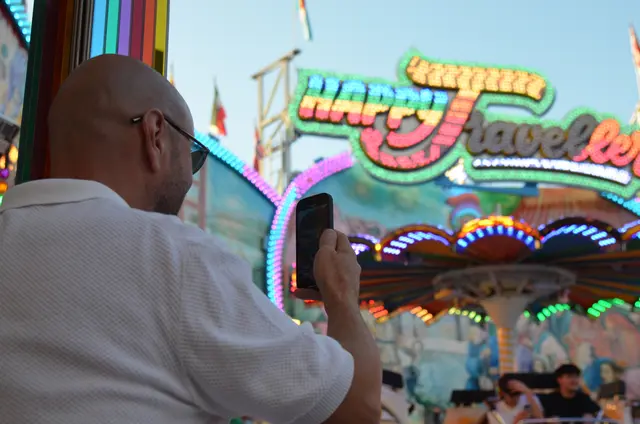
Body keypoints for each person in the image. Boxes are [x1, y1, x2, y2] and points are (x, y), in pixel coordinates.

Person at [0, 54, 382, 424]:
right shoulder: (172, 257)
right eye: (193, 154)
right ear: (155, 135)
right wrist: (341, 296)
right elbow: (356, 406)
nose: (190, 176)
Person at [478, 375, 543, 424]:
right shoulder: (496, 410)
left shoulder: (529, 398)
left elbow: (541, 420)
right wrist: (517, 421)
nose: (516, 398)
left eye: (518, 393)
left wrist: (527, 391)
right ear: (502, 394)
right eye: (512, 395)